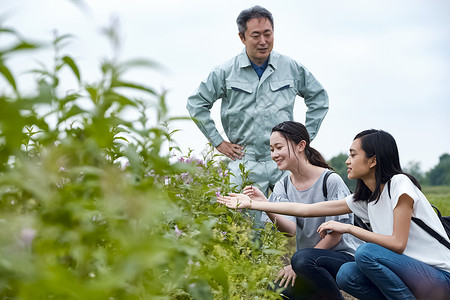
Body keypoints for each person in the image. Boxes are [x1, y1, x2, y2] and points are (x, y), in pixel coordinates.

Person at [217, 129, 450, 299]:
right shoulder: (365, 199)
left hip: (439, 278)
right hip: (412, 277)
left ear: (373, 161)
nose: (347, 161)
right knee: (347, 274)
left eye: (353, 155)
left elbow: (398, 244)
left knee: (365, 252)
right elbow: (305, 210)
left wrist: (349, 228)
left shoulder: (399, 184)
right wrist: (253, 204)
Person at [186, 5, 329, 203]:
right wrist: (218, 142)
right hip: (245, 159)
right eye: (255, 35)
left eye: (267, 34)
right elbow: (196, 103)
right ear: (242, 38)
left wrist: (304, 138)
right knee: (244, 225)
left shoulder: (291, 67)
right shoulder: (225, 72)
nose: (263, 41)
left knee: (301, 220)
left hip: (286, 158)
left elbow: (319, 98)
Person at [242, 121, 362, 299]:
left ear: (301, 145)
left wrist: (297, 265)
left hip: (342, 260)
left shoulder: (330, 180)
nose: (274, 154)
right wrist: (266, 204)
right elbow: (289, 231)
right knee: (274, 288)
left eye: (279, 147)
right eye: (271, 149)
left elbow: (335, 235)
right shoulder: (283, 184)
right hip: (307, 262)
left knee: (301, 261)